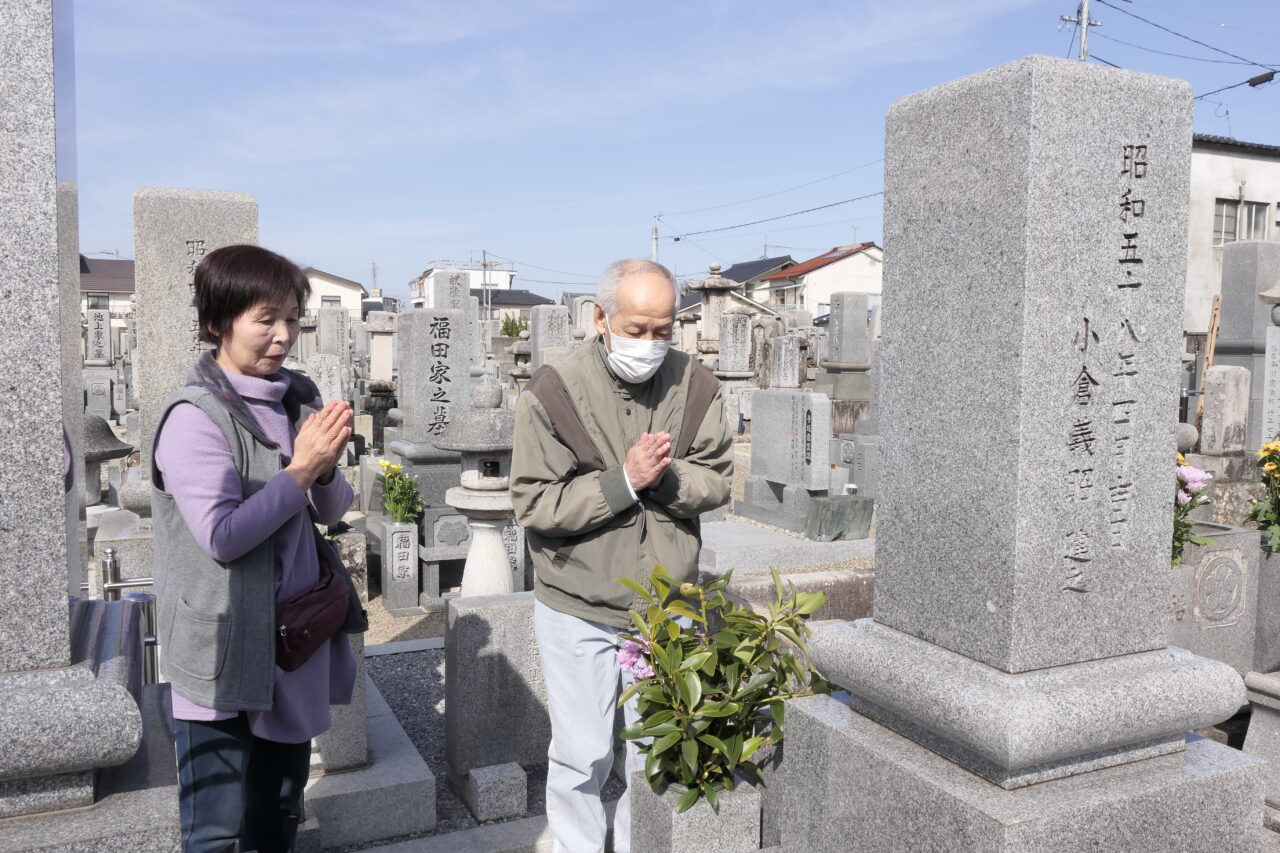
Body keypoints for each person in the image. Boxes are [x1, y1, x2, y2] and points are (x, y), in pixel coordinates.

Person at [511, 259, 734, 852]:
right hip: (577, 600)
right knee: (581, 751)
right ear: (601, 317)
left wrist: (665, 482)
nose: (651, 344)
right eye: (636, 329)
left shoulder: (698, 385)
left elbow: (716, 480)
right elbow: (534, 503)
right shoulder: (555, 390)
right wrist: (624, 481)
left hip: (666, 603)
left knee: (655, 747)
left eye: (664, 331)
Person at [151, 244, 361, 853]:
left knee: (277, 813)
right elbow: (222, 535)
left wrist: (323, 470)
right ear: (219, 321)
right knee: (216, 826)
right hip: (223, 642)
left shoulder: (296, 398)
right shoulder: (196, 418)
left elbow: (331, 510)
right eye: (265, 319)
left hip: (290, 641)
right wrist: (300, 470)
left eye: (292, 319)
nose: (283, 336)